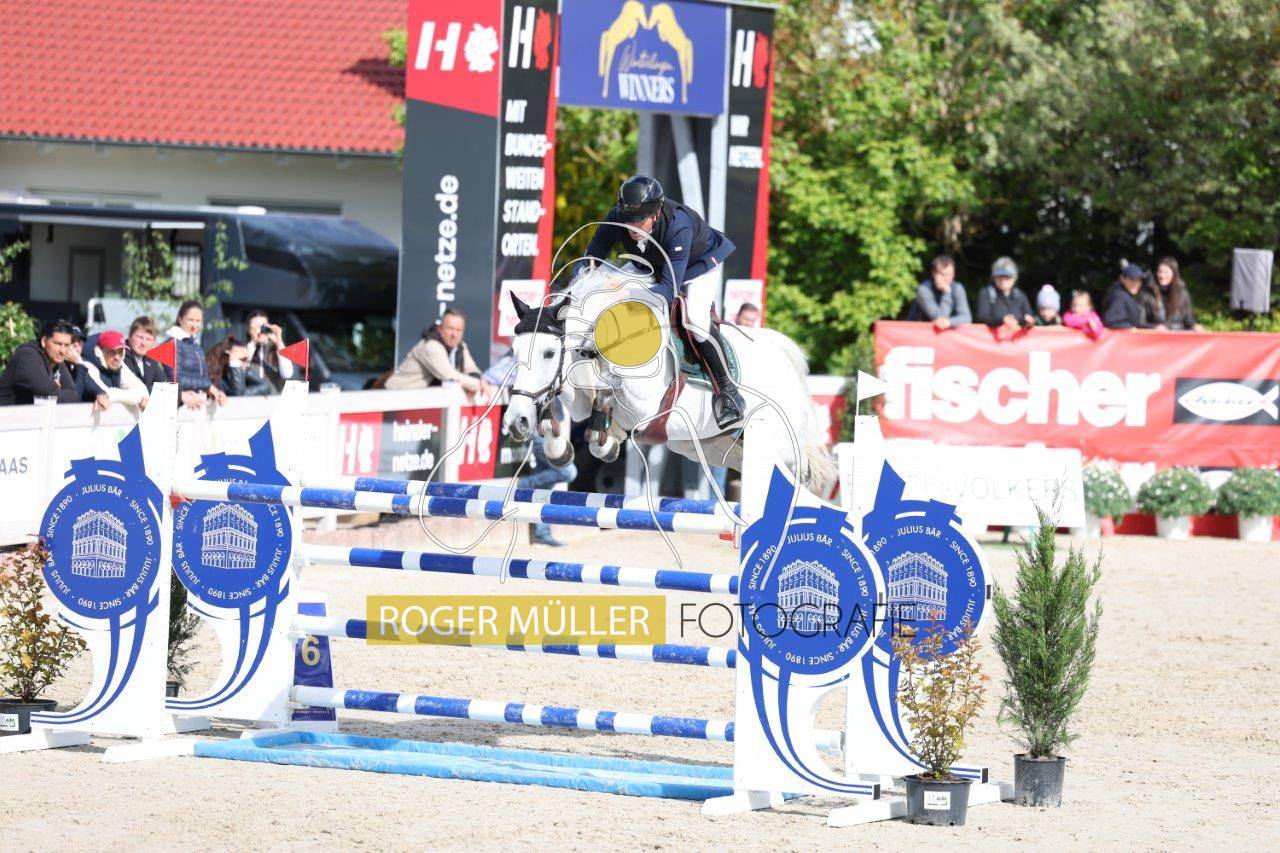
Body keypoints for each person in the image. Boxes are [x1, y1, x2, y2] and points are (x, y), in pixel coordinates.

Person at [577, 175, 743, 429]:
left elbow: (666, 291)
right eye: (628, 220)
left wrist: (623, 292)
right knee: (603, 289)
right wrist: (579, 285)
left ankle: (728, 391)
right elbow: (591, 260)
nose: (632, 227)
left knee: (695, 319)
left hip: (697, 266)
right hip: (652, 263)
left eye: (639, 220)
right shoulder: (618, 217)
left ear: (655, 213)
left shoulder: (679, 226)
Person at [385, 309, 493, 400]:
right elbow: (449, 375)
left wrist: (480, 380)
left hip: (417, 399)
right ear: (439, 329)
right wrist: (479, 384)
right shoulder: (430, 346)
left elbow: (471, 368)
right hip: (395, 397)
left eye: (458, 330)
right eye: (450, 328)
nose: (454, 334)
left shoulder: (460, 346)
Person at [0, 319, 80, 405]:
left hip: (30, 412)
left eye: (67, 345)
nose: (62, 351)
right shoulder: (27, 356)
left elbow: (73, 395)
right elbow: (48, 393)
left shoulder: (56, 359)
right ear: (44, 341)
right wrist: (56, 388)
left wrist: (55, 389)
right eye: (57, 344)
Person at [166, 300, 227, 409]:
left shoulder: (197, 348)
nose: (194, 325)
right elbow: (175, 379)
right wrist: (208, 386)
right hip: (179, 406)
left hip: (198, 406)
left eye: (198, 320)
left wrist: (215, 392)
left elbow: (204, 378)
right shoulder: (172, 345)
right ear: (180, 319)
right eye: (190, 320)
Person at [907, 254, 972, 329]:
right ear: (934, 273)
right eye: (943, 274)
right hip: (916, 331)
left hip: (941, 333)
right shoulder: (924, 289)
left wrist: (950, 322)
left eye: (950, 274)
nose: (947, 278)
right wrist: (946, 293)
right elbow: (940, 319)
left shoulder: (957, 288)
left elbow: (966, 318)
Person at [88, 330, 149, 410]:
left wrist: (137, 398)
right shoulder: (87, 365)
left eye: (120, 352)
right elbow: (104, 393)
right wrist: (138, 399)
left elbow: (143, 391)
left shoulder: (119, 365)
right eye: (112, 351)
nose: (117, 357)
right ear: (100, 351)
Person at [974, 257, 1034, 331]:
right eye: (999, 277)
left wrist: (1029, 322)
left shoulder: (1020, 296)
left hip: (1017, 337)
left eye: (1007, 277)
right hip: (991, 338)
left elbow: (1029, 317)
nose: (1002, 280)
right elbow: (982, 317)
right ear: (994, 277)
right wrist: (1002, 320)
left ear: (1014, 278)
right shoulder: (986, 293)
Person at [244, 309, 296, 393]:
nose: (260, 330)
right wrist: (253, 343)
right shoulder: (244, 349)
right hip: (251, 398)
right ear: (248, 329)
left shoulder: (276, 349)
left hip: (273, 398)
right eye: (255, 327)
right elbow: (242, 371)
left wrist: (279, 342)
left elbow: (287, 374)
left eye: (263, 326)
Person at [1150, 257, 1204, 331]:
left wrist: (1195, 325)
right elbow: (1141, 321)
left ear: (1174, 274)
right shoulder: (1149, 294)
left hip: (1178, 334)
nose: (1162, 276)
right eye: (1160, 271)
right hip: (1157, 335)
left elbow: (1188, 318)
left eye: (1166, 272)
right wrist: (1154, 327)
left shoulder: (1183, 294)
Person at [64, 327, 111, 412]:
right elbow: (74, 399)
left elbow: (92, 386)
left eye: (79, 341)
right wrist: (79, 365)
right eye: (72, 340)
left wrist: (101, 394)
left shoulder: (80, 363)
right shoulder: (59, 364)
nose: (76, 344)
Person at [1102, 264, 1163, 330]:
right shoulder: (1119, 296)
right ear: (1122, 279)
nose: (1135, 284)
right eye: (1132, 280)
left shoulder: (1125, 294)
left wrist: (1154, 327)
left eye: (1138, 281)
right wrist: (1130, 328)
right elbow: (1112, 321)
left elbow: (1135, 324)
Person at [123, 316, 171, 391]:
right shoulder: (120, 356)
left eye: (148, 339)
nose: (144, 343)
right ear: (130, 336)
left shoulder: (150, 360)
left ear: (153, 342)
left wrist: (180, 393)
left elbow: (166, 384)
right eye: (140, 337)